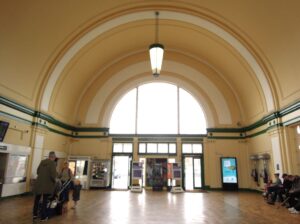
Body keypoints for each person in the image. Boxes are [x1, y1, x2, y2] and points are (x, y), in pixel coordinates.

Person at [32, 151, 57, 221]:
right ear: (53, 157)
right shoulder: (52, 163)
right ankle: (43, 217)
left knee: (37, 200)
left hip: (39, 184)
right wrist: (55, 181)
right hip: (47, 185)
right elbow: (53, 175)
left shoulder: (42, 162)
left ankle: (35, 214)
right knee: (45, 201)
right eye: (55, 157)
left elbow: (38, 171)